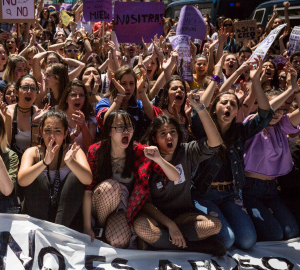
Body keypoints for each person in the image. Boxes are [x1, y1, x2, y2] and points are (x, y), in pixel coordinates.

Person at [191, 57, 275, 250]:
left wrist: (255, 81)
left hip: (229, 196)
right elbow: (197, 111)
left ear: (238, 111)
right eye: (224, 103)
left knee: (247, 241)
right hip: (203, 195)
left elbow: (265, 115)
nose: (228, 106)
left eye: (233, 104)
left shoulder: (240, 132)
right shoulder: (202, 128)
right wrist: (216, 76)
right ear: (214, 109)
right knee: (227, 240)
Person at [134, 92, 225, 255]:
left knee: (214, 226)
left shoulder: (186, 151)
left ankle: (161, 243)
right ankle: (194, 246)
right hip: (157, 217)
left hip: (183, 215)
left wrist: (200, 108)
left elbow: (215, 143)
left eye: (173, 132)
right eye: (163, 133)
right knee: (141, 227)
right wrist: (170, 225)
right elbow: (146, 203)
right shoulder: (147, 157)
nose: (169, 137)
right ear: (154, 138)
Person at [83, 110, 180, 248]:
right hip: (99, 202)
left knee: (119, 240)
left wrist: (159, 159)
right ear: (109, 131)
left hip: (123, 208)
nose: (126, 131)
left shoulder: (140, 151)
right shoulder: (95, 151)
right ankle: (99, 226)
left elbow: (175, 176)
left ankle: (107, 231)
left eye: (129, 127)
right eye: (120, 127)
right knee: (110, 187)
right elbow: (88, 190)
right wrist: (87, 227)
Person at [243, 70, 300, 241]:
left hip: (272, 190)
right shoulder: (251, 123)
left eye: (282, 110)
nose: (278, 113)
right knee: (275, 234)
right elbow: (265, 113)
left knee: (291, 233)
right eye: (274, 108)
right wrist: (289, 90)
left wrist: (295, 89)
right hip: (250, 190)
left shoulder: (281, 126)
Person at [18, 110, 92, 229]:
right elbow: (22, 180)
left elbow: (87, 179)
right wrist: (44, 163)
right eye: (48, 131)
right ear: (41, 132)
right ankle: (42, 230)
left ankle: (58, 231)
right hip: (38, 213)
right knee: (37, 176)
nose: (52, 136)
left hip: (64, 214)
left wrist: (70, 162)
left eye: (57, 131)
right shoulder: (32, 152)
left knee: (75, 177)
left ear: (65, 133)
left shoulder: (74, 151)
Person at [57, 79, 96, 152]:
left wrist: (84, 127)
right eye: (73, 95)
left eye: (81, 95)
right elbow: (57, 146)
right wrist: (75, 134)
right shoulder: (57, 118)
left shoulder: (91, 120)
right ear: (66, 98)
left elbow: (90, 149)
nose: (78, 97)